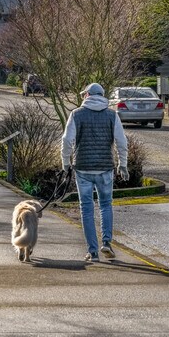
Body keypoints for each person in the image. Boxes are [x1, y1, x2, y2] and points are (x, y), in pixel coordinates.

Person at [61, 83, 129, 262]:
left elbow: (67, 140)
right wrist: (123, 164)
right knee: (106, 205)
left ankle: (92, 252)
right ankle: (106, 242)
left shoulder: (76, 114)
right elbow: (121, 141)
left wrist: (65, 162)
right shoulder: (112, 115)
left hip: (83, 167)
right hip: (105, 167)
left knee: (86, 208)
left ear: (87, 95)